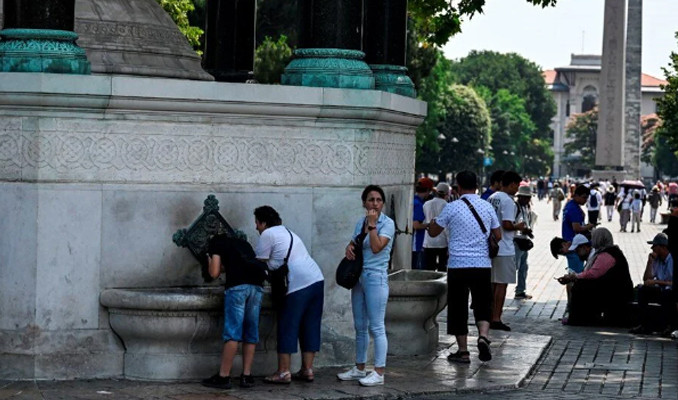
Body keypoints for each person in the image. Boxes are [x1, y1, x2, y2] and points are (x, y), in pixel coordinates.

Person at [428, 170, 501, 363]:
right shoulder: (486, 206)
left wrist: (433, 222)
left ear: (458, 187)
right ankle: (483, 336)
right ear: (477, 185)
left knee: (458, 307)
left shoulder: (452, 207)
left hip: (458, 265)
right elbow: (498, 235)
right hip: (482, 264)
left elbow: (434, 232)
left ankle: (463, 351)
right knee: (483, 303)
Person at [254, 206, 325, 384]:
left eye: (257, 223)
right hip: (316, 279)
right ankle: (307, 370)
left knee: (287, 324)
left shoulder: (267, 234)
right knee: (310, 324)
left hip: (296, 284)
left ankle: (283, 372)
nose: (256, 227)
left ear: (263, 222)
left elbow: (259, 263)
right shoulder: (287, 231)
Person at [337, 185, 395, 387]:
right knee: (360, 326)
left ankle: (379, 371)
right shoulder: (360, 222)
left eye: (379, 200)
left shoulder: (387, 223)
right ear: (364, 203)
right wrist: (349, 248)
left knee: (377, 326)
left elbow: (378, 247)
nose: (375, 203)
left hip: (376, 277)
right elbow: (354, 243)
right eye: (371, 199)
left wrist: (372, 226)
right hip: (359, 277)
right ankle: (359, 367)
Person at [201, 232, 267, 390]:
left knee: (233, 332)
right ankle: (246, 376)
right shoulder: (243, 244)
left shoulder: (215, 243)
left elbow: (214, 273)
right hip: (257, 286)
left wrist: (209, 259)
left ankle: (223, 377)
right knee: (251, 331)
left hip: (238, 287)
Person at [556, 228, 633, 326]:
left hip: (617, 292)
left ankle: (579, 319)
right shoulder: (607, 252)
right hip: (614, 288)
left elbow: (593, 274)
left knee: (581, 287)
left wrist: (575, 277)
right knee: (582, 284)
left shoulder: (607, 254)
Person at [488, 171, 528, 331]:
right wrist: (519, 226)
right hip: (504, 247)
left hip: (491, 247)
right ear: (511, 184)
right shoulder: (508, 201)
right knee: (501, 285)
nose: (517, 189)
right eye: (517, 185)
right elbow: (507, 224)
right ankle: (496, 318)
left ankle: (489, 315)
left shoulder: (492, 197)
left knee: (492, 283)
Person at [629, 233, 674, 335]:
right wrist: (650, 262)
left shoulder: (671, 260)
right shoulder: (656, 260)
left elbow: (671, 283)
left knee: (668, 295)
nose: (652, 248)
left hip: (670, 291)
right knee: (643, 290)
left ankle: (668, 326)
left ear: (662, 247)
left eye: (655, 246)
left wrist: (656, 282)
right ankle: (644, 325)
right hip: (660, 289)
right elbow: (647, 279)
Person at [562, 185, 596, 275]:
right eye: (584, 197)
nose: (585, 200)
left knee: (573, 273)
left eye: (587, 198)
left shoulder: (570, 204)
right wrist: (590, 226)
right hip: (575, 246)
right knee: (576, 275)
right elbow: (577, 228)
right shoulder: (574, 209)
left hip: (570, 243)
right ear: (576, 195)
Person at [423, 183, 450, 272]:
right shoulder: (446, 205)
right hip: (442, 241)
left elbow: (425, 220)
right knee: (442, 269)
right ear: (446, 193)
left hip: (428, 241)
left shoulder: (426, 204)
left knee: (429, 269)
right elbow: (447, 226)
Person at [514, 185, 535, 300]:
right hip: (516, 241)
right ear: (520, 197)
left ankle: (520, 290)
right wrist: (522, 229)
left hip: (524, 240)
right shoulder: (515, 207)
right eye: (525, 197)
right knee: (514, 267)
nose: (527, 200)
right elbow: (510, 224)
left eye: (528, 198)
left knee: (523, 267)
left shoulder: (527, 207)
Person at [412, 182, 429, 270]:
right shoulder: (419, 205)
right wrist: (429, 225)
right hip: (416, 243)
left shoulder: (412, 201)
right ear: (427, 191)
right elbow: (416, 225)